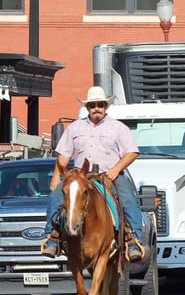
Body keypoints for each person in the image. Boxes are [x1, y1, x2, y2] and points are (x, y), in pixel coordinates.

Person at [41, 85, 145, 262]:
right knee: (57, 198)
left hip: (109, 174)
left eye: (100, 105)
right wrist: (57, 176)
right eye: (92, 105)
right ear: (87, 107)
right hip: (81, 176)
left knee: (128, 199)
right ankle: (52, 237)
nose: (96, 108)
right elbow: (64, 155)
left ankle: (133, 240)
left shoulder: (118, 128)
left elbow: (132, 152)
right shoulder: (75, 128)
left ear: (106, 106)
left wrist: (116, 169)